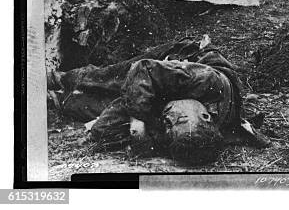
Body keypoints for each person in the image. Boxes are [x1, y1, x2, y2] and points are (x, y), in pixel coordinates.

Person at [48, 38, 269, 163]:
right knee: (111, 78)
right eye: (179, 120)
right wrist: (138, 118)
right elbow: (144, 70)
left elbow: (163, 126)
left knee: (104, 119)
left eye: (169, 127)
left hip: (179, 97)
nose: (168, 119)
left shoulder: (190, 130)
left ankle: (61, 100)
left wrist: (141, 136)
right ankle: (62, 78)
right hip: (181, 60)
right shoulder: (206, 80)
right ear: (206, 116)